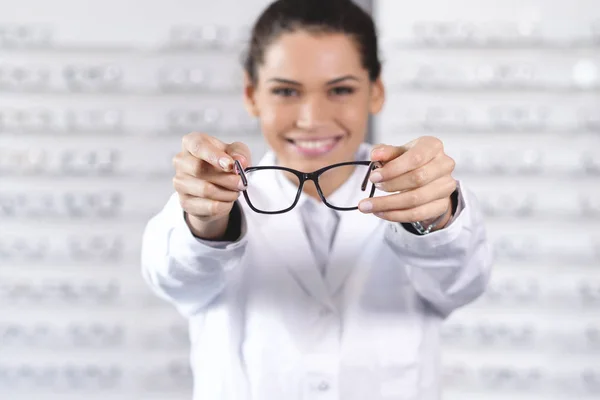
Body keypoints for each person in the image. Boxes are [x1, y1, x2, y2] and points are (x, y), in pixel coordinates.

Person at [141, 0, 492, 399]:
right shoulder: (218, 198)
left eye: (340, 89)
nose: (311, 118)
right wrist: (206, 223)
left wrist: (435, 219)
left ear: (375, 92)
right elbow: (174, 277)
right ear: (252, 94)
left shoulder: (419, 193)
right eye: (286, 91)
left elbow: (462, 283)